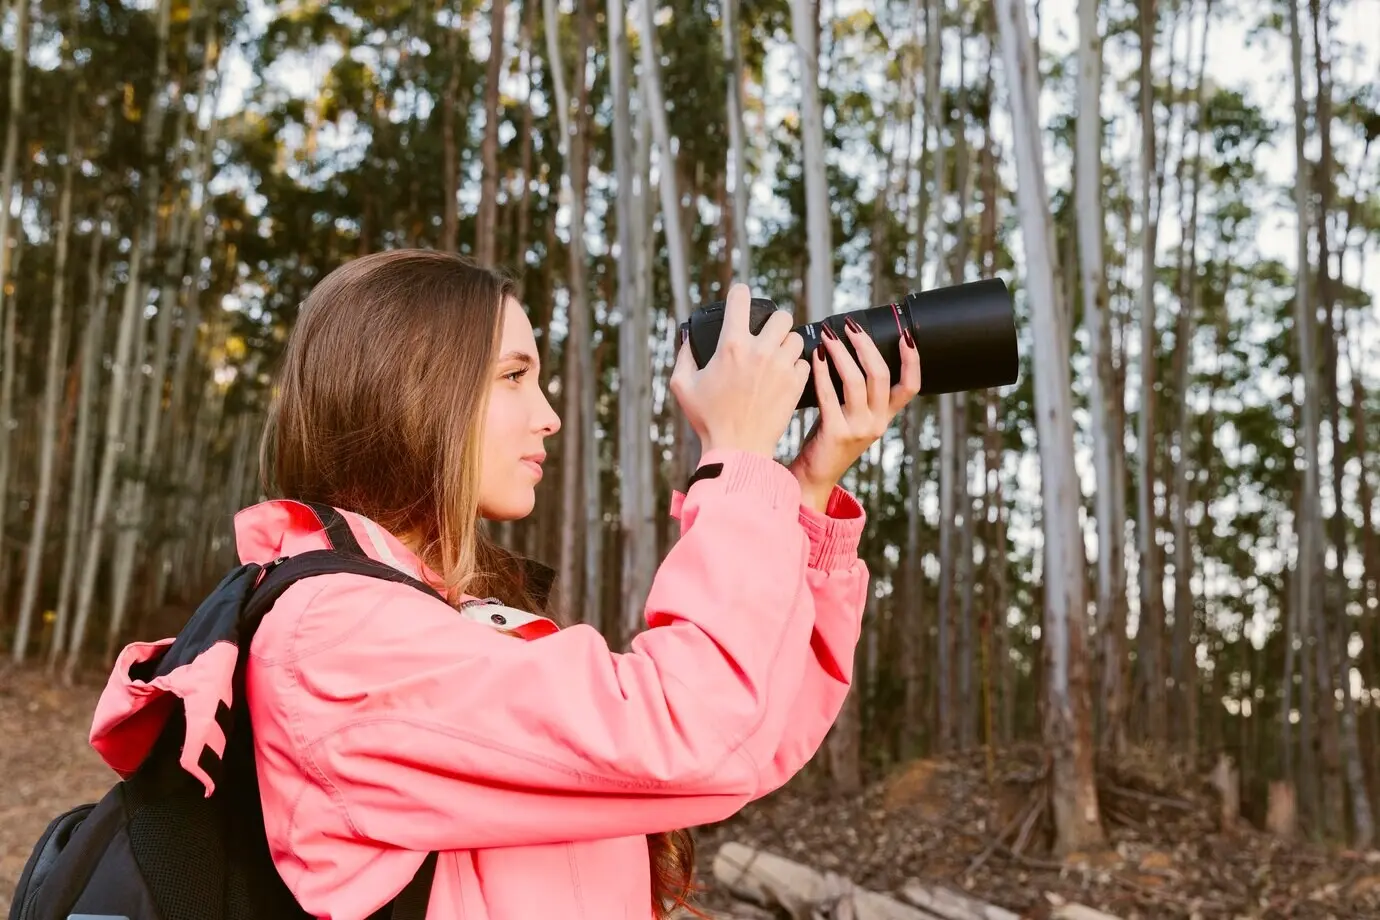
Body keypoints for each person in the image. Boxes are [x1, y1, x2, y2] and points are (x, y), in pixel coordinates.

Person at [91, 249, 922, 920]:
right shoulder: (337, 639)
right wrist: (738, 462)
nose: (549, 414)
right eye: (516, 376)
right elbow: (692, 729)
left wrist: (805, 493)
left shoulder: (443, 620)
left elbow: (746, 746)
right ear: (419, 388)